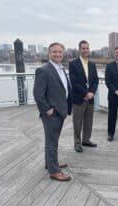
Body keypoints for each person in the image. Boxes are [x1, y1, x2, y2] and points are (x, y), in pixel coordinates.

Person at [33, 42, 72, 181]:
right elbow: (38, 94)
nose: (58, 54)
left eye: (60, 52)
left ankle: (50, 163)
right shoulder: (44, 70)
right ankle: (54, 171)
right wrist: (47, 109)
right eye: (54, 52)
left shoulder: (60, 68)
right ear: (49, 54)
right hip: (52, 113)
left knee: (52, 140)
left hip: (60, 111)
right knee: (52, 142)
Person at [69, 40, 99, 153]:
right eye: (83, 48)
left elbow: (95, 80)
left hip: (90, 98)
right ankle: (77, 143)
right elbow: (74, 82)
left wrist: (91, 92)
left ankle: (86, 140)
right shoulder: (73, 64)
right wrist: (85, 93)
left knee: (88, 121)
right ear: (79, 49)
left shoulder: (92, 64)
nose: (85, 50)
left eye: (87, 48)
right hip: (79, 98)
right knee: (77, 122)